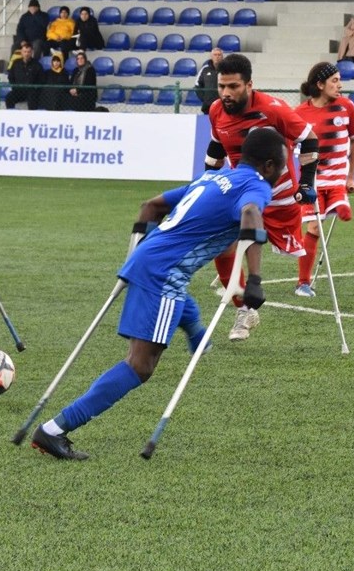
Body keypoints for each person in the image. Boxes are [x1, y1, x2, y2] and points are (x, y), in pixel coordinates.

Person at [30, 128, 286, 460]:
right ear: (268, 166)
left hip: (148, 260)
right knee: (141, 366)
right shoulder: (255, 186)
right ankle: (54, 431)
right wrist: (255, 280)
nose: (281, 172)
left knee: (174, 303)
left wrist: (134, 259)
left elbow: (149, 207)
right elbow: (251, 215)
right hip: (164, 274)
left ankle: (195, 331)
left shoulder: (212, 178)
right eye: (281, 166)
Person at [205, 53, 319, 341]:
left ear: (249, 84)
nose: (226, 94)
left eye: (233, 87)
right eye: (222, 87)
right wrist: (206, 183)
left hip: (279, 195)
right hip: (241, 192)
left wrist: (306, 183)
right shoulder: (217, 111)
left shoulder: (273, 109)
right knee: (223, 246)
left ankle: (258, 285)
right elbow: (217, 149)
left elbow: (309, 137)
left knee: (253, 238)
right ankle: (244, 309)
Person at [293, 62, 354, 298]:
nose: (340, 85)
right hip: (312, 180)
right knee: (313, 227)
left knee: (342, 212)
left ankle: (340, 202)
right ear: (320, 85)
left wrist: (351, 176)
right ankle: (303, 282)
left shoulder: (347, 107)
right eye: (334, 80)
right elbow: (292, 147)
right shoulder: (300, 113)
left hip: (337, 178)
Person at [5, 41, 43, 110]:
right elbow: (11, 77)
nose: (26, 54)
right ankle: (10, 116)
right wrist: (15, 87)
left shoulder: (37, 65)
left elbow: (41, 80)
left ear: (31, 53)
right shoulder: (16, 63)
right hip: (18, 90)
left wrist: (34, 89)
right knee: (9, 97)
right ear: (21, 52)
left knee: (33, 98)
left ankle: (32, 118)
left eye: (28, 52)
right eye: (25, 52)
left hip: (31, 92)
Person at [194, 47, 223, 114]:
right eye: (215, 55)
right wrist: (205, 99)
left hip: (224, 106)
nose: (217, 57)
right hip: (208, 106)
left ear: (222, 57)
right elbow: (197, 85)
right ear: (211, 56)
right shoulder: (205, 69)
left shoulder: (228, 69)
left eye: (219, 55)